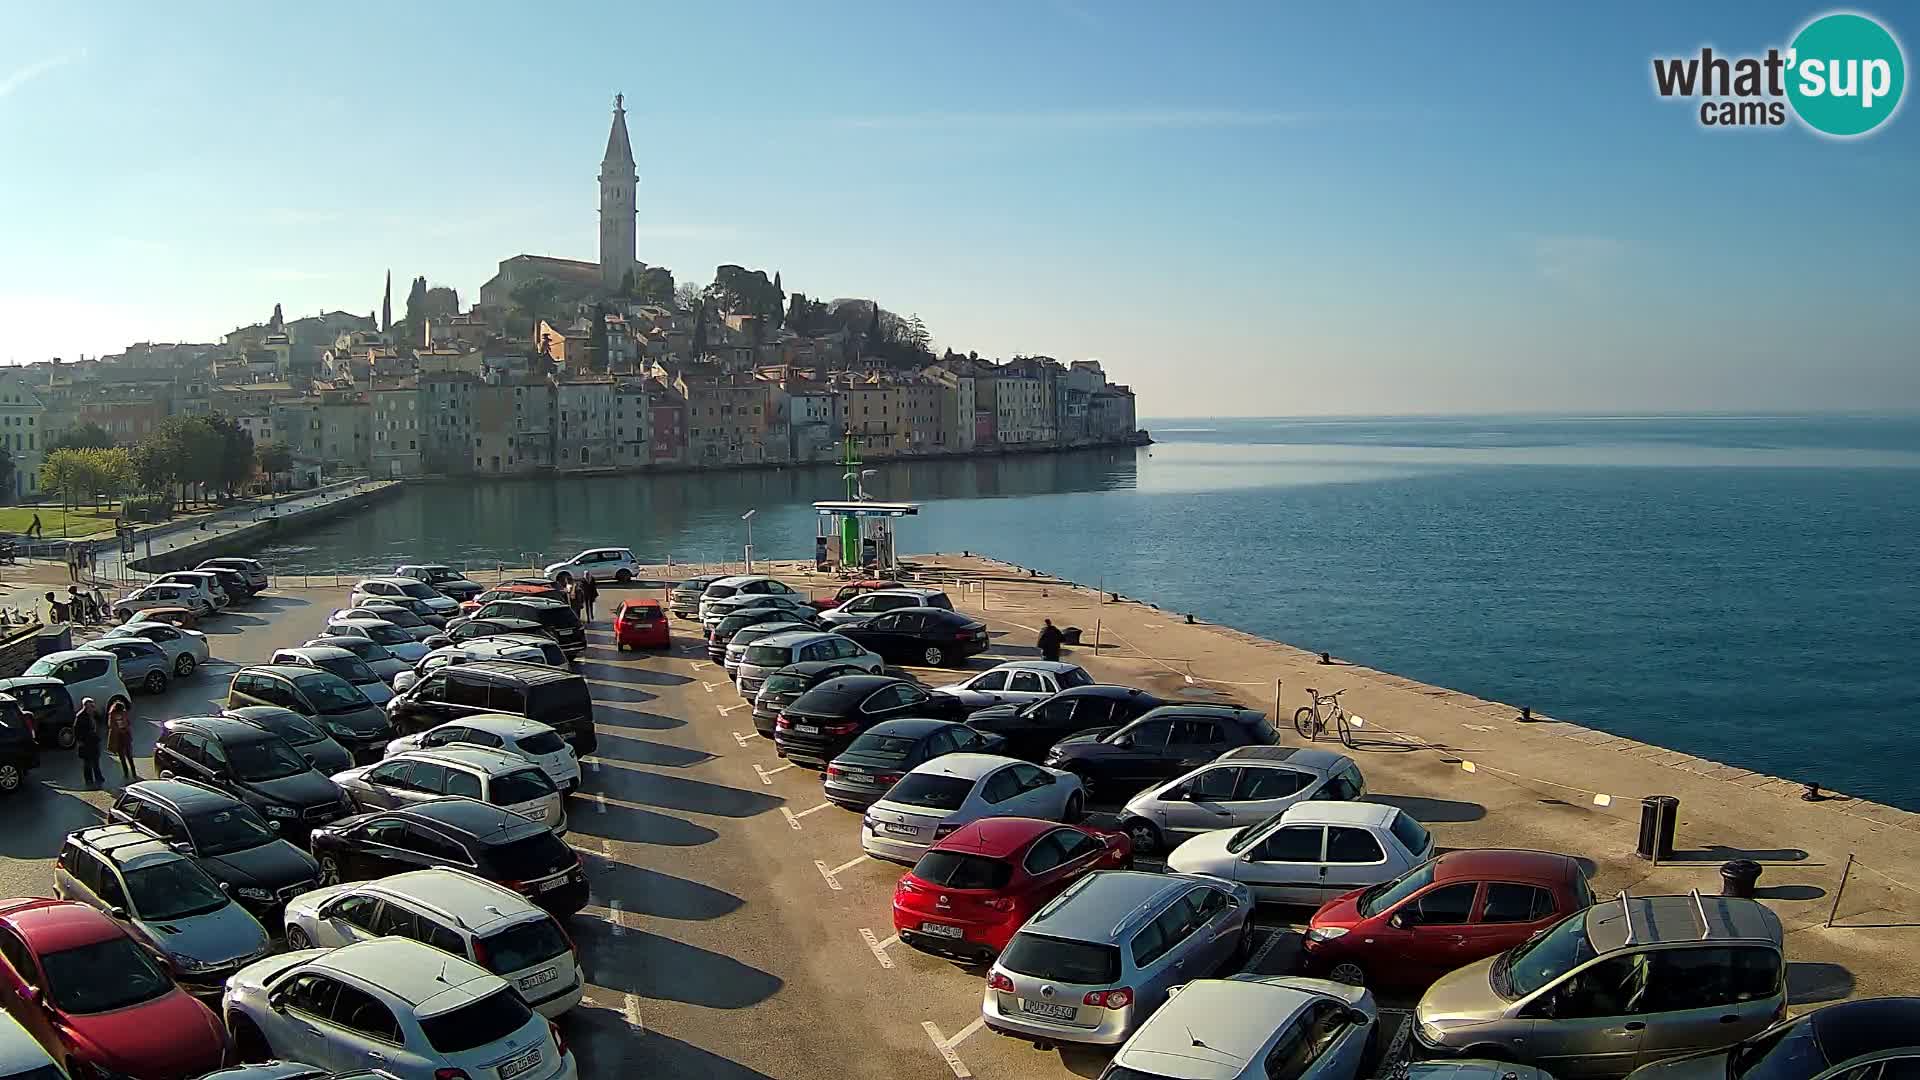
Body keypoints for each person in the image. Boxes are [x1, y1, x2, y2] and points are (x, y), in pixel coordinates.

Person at [74, 698, 104, 787]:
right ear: (85, 706)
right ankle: (89, 780)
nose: (92, 707)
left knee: (96, 761)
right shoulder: (80, 716)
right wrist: (80, 741)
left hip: (94, 741)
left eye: (92, 705)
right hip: (86, 742)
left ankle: (98, 777)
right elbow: (76, 730)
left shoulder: (94, 714)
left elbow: (101, 720)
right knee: (87, 763)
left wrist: (97, 711)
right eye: (90, 706)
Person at [106, 698, 135, 781]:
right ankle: (126, 773)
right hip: (118, 737)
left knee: (129, 755)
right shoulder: (112, 714)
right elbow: (111, 725)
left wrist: (126, 728)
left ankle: (133, 773)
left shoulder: (124, 712)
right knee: (122, 757)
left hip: (125, 735)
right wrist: (120, 730)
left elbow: (128, 722)